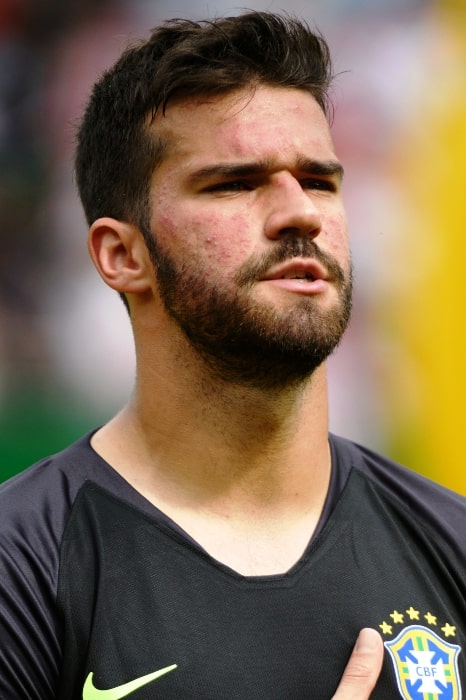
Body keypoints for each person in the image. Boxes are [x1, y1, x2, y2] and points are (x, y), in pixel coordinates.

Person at [0, 11, 465, 699]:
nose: (298, 212)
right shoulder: (24, 562)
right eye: (235, 183)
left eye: (319, 180)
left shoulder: (451, 542)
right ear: (122, 255)